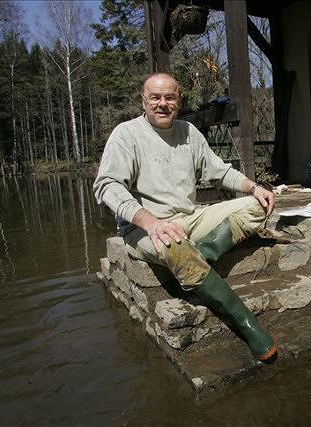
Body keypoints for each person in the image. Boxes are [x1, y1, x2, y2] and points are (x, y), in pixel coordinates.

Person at [93, 72, 278, 361]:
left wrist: (255, 187)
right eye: (155, 97)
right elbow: (107, 186)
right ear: (144, 100)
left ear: (179, 100)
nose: (162, 103)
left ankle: (197, 259)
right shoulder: (126, 134)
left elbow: (220, 171)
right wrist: (149, 221)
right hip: (144, 228)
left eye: (170, 97)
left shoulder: (189, 132)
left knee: (257, 206)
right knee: (175, 247)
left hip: (190, 217)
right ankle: (247, 324)